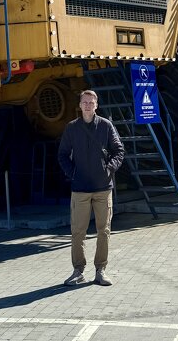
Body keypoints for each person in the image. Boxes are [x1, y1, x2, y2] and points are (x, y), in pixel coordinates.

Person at [58, 89, 124, 287]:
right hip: (80, 189)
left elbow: (119, 150)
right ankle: (78, 271)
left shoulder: (106, 126)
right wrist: (73, 173)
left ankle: (100, 270)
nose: (87, 105)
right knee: (78, 232)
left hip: (103, 188)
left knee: (104, 231)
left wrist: (109, 169)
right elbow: (62, 155)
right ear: (79, 105)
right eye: (84, 102)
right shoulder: (71, 128)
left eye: (91, 102)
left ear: (96, 105)